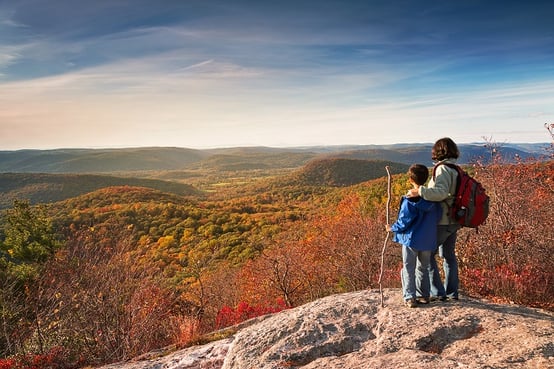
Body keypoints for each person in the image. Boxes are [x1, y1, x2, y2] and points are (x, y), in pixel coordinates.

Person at [407, 137, 461, 301]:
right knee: (448, 256)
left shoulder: (443, 169)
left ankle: (438, 293)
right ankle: (452, 293)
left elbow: (441, 193)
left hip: (443, 220)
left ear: (438, 151)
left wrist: (420, 191)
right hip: (454, 219)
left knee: (427, 255)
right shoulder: (456, 168)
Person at [387, 164, 442, 308]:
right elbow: (438, 216)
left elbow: (404, 221)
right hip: (428, 239)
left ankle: (410, 297)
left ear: (411, 179)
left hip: (411, 239)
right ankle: (424, 295)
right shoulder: (433, 199)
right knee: (422, 268)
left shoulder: (410, 199)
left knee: (408, 268)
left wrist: (392, 228)